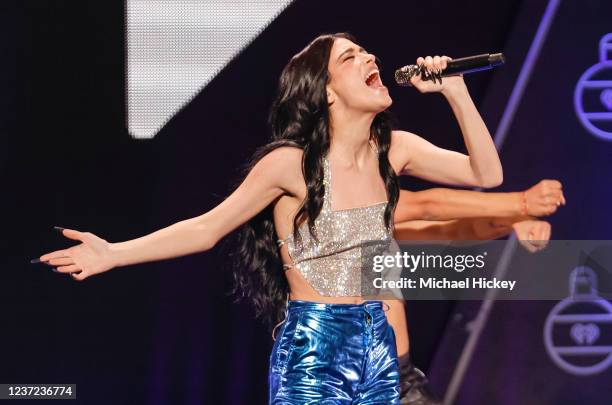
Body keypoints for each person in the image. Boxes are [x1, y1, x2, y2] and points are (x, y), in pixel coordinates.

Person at [33, 33, 505, 403]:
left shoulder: (395, 150)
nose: (368, 60)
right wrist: (115, 253)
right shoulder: (290, 164)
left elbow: (487, 173)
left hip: (378, 343)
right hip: (316, 346)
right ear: (327, 93)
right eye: (349, 58)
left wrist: (457, 94)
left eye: (366, 52)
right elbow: (206, 228)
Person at [388, 179, 565, 404]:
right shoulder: (345, 201)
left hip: (398, 381)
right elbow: (425, 204)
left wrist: (512, 220)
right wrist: (520, 203)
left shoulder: (372, 208)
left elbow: (452, 230)